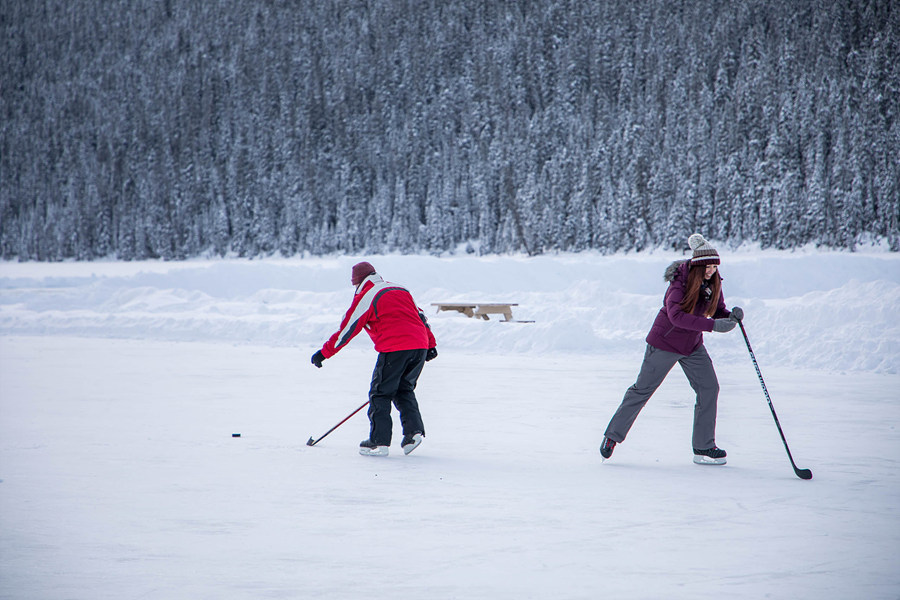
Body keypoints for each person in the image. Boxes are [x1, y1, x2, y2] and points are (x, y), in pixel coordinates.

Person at [599, 233, 744, 466]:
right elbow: (676, 317)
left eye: (715, 267)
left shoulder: (713, 282)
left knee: (709, 388)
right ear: (696, 266)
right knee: (642, 390)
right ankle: (612, 437)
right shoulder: (679, 282)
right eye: (707, 267)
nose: (711, 271)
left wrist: (730, 316)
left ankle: (704, 446)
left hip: (692, 346)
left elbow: (718, 310)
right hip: (665, 343)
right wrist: (713, 325)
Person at [311, 261, 438, 457]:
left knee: (380, 393)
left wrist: (323, 353)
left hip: (395, 348)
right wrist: (430, 345)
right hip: (419, 346)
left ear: (358, 282)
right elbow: (420, 316)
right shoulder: (399, 288)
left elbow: (347, 330)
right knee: (404, 389)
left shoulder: (367, 296)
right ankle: (413, 434)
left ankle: (378, 442)